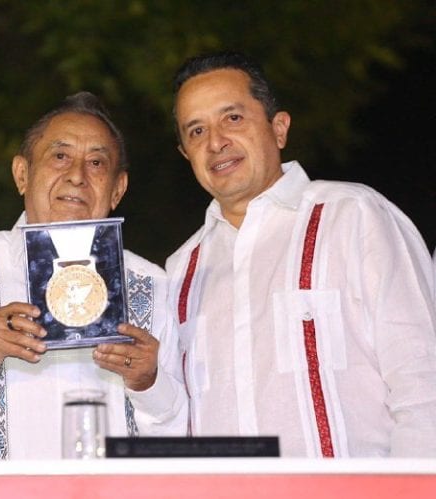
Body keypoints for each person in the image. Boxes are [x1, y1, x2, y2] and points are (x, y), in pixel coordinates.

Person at [0, 92, 185, 459]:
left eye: (96, 162)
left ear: (117, 189)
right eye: (60, 157)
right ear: (22, 174)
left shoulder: (151, 284)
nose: (77, 176)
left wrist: (149, 383)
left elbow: (185, 433)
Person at [166, 51, 436, 457]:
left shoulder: (352, 216)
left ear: (279, 129)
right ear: (186, 153)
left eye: (233, 118)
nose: (216, 142)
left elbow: (422, 382)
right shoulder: (181, 270)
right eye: (196, 131)